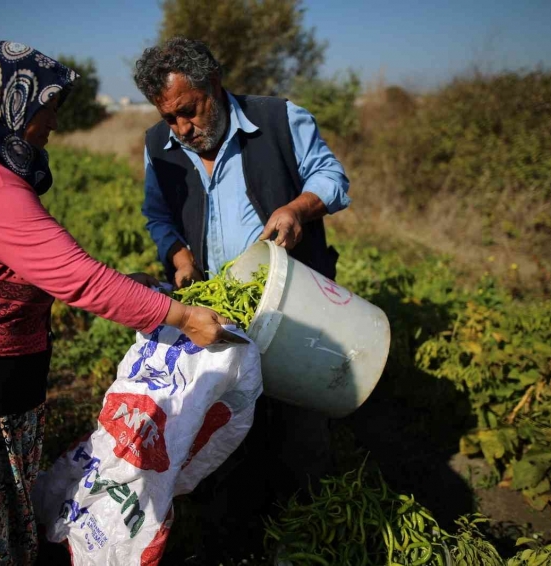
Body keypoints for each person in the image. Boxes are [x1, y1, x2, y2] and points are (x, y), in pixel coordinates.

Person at [0, 41, 237, 565]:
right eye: (49, 108)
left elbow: (33, 265)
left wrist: (124, 282)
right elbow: (78, 279)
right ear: (12, 103)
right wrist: (182, 316)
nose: (54, 124)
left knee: (3, 525)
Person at [133, 36, 351, 557]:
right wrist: (179, 255)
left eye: (188, 112)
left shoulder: (278, 120)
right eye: (170, 118)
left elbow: (333, 178)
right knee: (229, 429)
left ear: (213, 84)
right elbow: (158, 215)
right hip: (221, 314)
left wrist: (297, 209)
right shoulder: (160, 145)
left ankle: (310, 534)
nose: (182, 129)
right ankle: (239, 538)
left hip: (295, 303)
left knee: (300, 429)